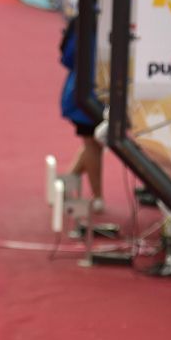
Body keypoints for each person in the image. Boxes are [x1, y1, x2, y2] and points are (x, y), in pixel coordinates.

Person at [59, 17, 104, 212]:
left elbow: (67, 57)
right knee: (93, 143)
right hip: (90, 94)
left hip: (89, 92)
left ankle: (65, 185)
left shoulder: (82, 21)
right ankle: (96, 196)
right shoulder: (94, 20)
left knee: (94, 143)